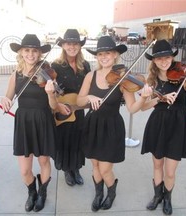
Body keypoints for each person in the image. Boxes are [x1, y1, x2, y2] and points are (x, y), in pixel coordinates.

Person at [76, 36, 153, 212]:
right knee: (95, 165)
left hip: (111, 127)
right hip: (92, 124)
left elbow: (133, 108)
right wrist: (89, 97)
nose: (104, 57)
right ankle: (98, 193)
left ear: (115, 55)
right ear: (96, 56)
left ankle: (111, 192)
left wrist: (144, 99)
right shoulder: (91, 75)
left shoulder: (123, 78)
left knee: (105, 169)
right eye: (100, 54)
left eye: (108, 53)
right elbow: (79, 101)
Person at [1, 34, 57, 212]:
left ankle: (42, 192)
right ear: (21, 52)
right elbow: (8, 98)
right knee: (25, 170)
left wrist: (50, 93)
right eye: (27, 50)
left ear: (39, 53)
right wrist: (4, 100)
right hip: (23, 122)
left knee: (43, 161)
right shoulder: (15, 75)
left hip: (43, 119)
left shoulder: (47, 73)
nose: (30, 54)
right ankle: (31, 192)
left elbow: (54, 106)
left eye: (34, 51)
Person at [140, 39, 186, 215]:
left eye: (167, 57)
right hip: (158, 123)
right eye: (159, 58)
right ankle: (157, 196)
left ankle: (167, 199)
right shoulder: (152, 81)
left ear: (172, 58)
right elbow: (143, 107)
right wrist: (158, 98)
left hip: (177, 126)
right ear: (154, 61)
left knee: (170, 172)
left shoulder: (182, 77)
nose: (164, 61)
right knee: (157, 165)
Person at [51, 29, 91, 186]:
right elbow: (51, 91)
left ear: (80, 46)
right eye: (69, 43)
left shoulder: (85, 65)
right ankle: (68, 170)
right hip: (63, 110)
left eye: (75, 44)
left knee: (78, 140)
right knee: (65, 140)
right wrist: (58, 104)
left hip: (79, 109)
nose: (72, 47)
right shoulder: (56, 66)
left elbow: (90, 86)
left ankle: (76, 169)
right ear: (63, 45)